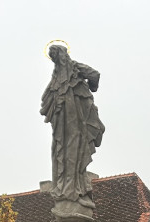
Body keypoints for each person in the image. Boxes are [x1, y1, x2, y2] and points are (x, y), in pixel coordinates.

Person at [41, 44, 105, 208]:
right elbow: (94, 76)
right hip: (70, 126)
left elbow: (45, 103)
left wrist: (87, 90)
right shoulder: (71, 70)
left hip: (70, 126)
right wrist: (90, 88)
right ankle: (73, 190)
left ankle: (71, 189)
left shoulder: (58, 77)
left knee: (66, 153)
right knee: (70, 153)